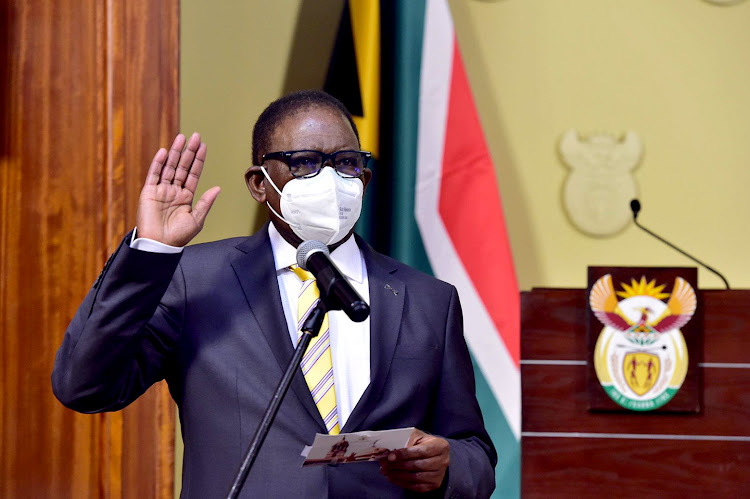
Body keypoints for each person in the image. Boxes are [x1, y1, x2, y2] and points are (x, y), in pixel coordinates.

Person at [52, 90, 497, 497]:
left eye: (345, 162)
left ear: (363, 175)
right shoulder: (196, 279)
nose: (330, 178)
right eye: (304, 161)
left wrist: (448, 465)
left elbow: (474, 451)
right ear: (259, 183)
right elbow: (84, 385)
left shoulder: (429, 300)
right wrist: (150, 253)